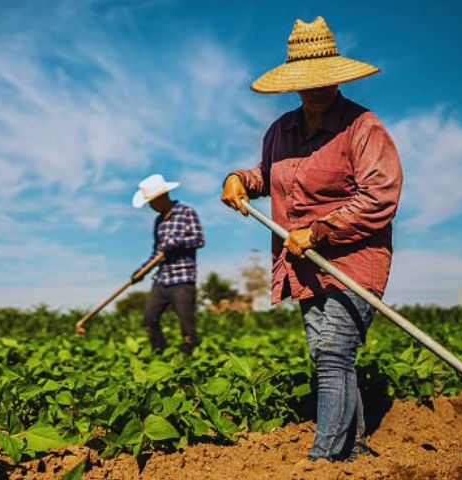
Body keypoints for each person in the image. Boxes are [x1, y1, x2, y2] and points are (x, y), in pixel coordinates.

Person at [221, 17, 403, 461]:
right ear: (295, 83)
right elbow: (268, 175)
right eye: (310, 80)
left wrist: (319, 231)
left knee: (334, 351)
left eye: (327, 78)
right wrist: (238, 179)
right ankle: (354, 448)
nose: (319, 87)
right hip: (302, 265)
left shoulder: (363, 127)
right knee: (329, 358)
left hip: (355, 258)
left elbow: (381, 194)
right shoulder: (280, 131)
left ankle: (324, 458)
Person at [132, 174, 205, 355]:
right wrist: (141, 271)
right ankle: (160, 354)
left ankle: (188, 361)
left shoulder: (186, 212)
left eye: (151, 202)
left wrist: (177, 243)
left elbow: (199, 240)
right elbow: (157, 252)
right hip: (162, 279)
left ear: (162, 197)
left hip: (182, 279)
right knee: (150, 319)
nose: (150, 206)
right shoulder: (159, 222)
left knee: (187, 326)